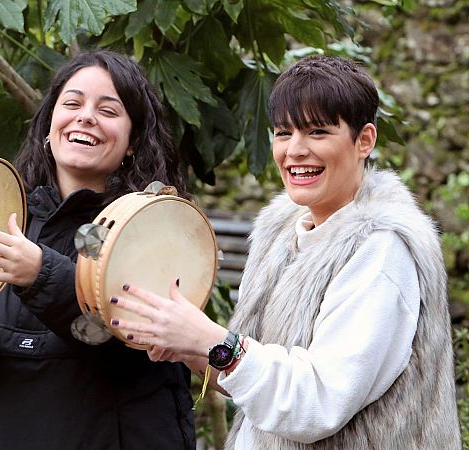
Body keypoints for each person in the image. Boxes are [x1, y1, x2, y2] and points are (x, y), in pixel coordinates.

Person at [108, 55, 462, 449]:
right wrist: (188, 345)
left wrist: (211, 340)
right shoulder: (280, 231)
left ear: (364, 140)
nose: (295, 150)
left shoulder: (382, 248)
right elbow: (254, 377)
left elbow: (317, 402)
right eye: (283, 132)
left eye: (318, 132)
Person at [0, 50, 196, 449]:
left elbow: (132, 351)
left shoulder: (158, 228)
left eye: (108, 110)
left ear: (133, 141)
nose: (85, 116)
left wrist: (39, 273)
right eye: (72, 103)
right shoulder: (1, 217)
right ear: (49, 126)